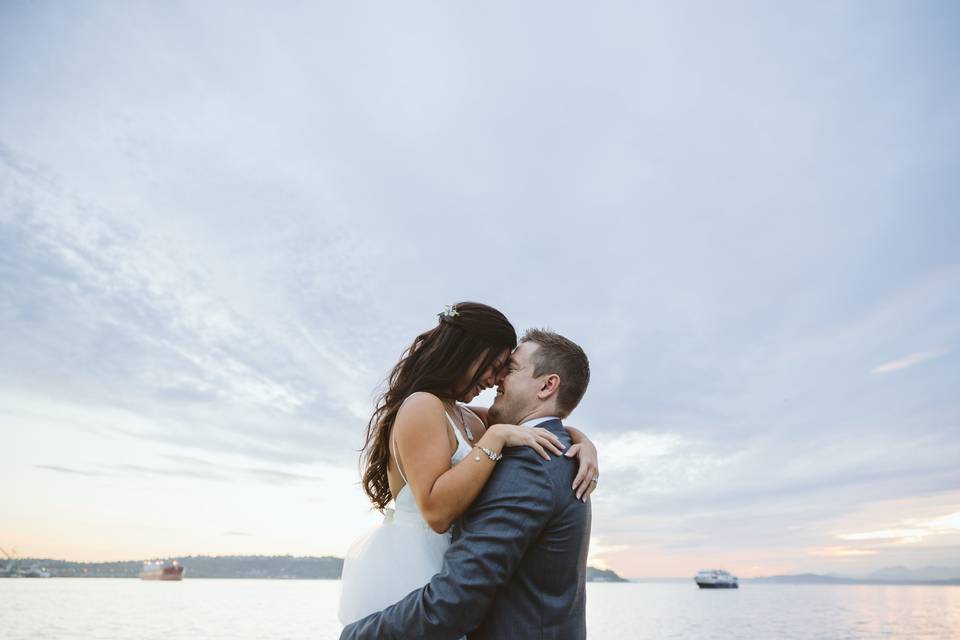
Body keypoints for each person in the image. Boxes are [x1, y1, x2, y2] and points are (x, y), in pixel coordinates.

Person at [338, 303, 599, 630]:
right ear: (467, 354)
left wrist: (581, 440)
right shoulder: (425, 406)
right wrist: (496, 438)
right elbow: (436, 513)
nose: (495, 379)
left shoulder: (469, 418)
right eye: (494, 365)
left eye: (507, 368)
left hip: (445, 579)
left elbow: (526, 420)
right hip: (412, 569)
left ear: (547, 385)